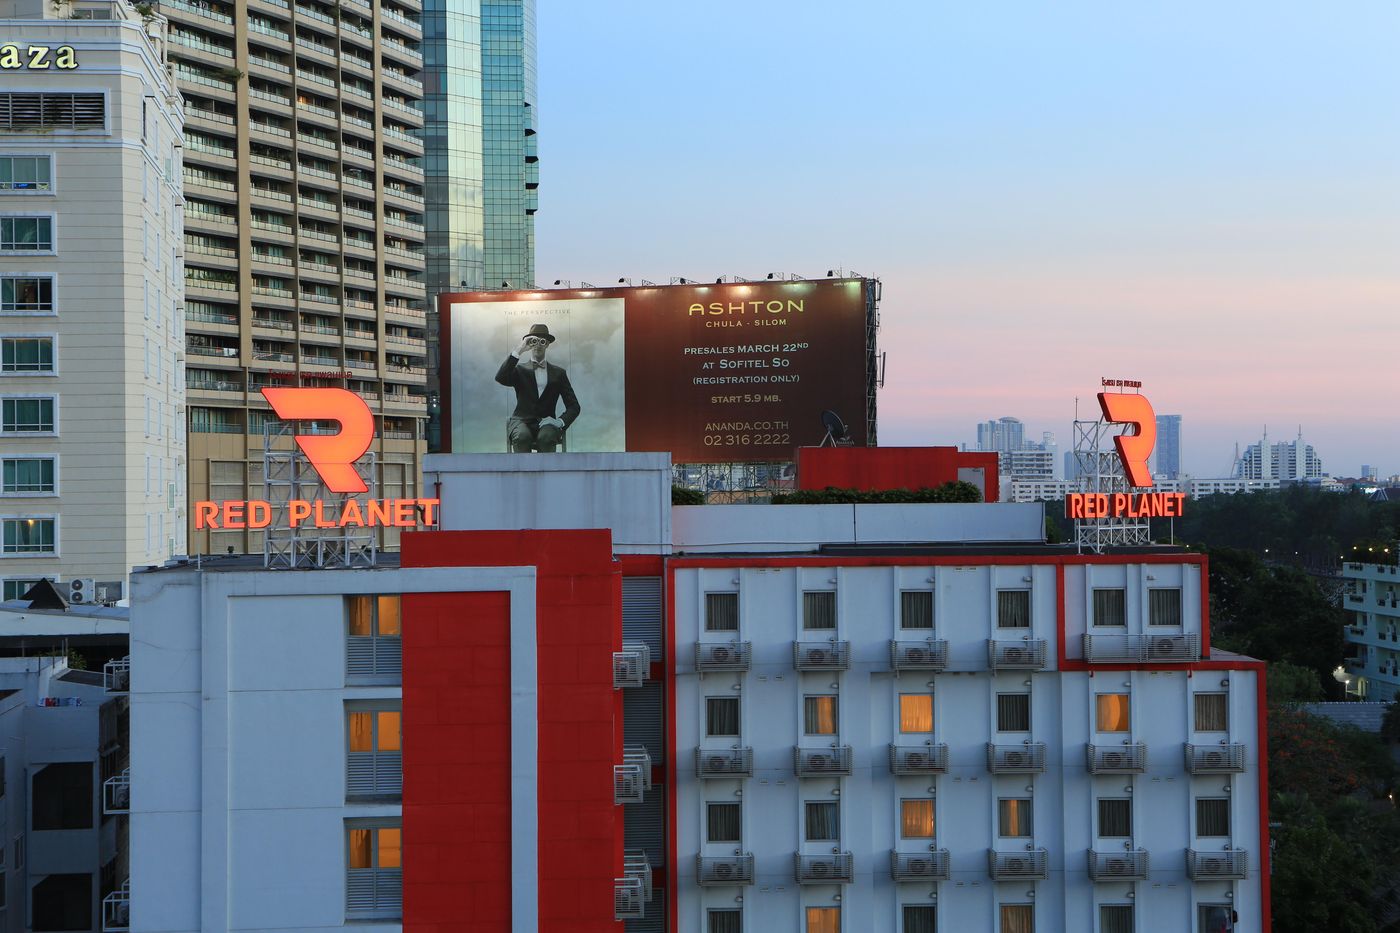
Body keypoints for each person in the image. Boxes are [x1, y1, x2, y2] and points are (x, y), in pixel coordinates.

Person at [494, 323, 580, 452]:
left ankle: (548, 472)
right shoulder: (519, 370)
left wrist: (560, 422)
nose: (538, 345)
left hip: (546, 423)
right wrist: (520, 349)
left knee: (546, 437)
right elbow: (501, 377)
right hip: (521, 421)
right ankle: (522, 472)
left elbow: (574, 406)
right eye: (534, 341)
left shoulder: (559, 373)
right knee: (522, 437)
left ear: (547, 344)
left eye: (542, 341)